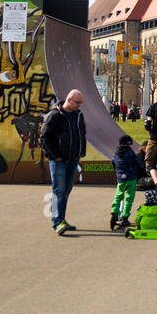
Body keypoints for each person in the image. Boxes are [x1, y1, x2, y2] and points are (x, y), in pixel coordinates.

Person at [40, 88, 87, 235]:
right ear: (68, 99)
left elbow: (82, 134)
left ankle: (62, 219)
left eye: (81, 103)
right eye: (77, 102)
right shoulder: (54, 116)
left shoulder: (79, 115)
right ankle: (57, 222)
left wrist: (81, 152)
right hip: (59, 160)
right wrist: (56, 156)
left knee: (66, 190)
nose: (79, 105)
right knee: (58, 190)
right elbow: (44, 138)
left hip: (73, 158)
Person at [110, 134, 145, 231]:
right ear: (129, 143)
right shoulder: (130, 152)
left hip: (121, 179)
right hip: (131, 178)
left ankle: (114, 211)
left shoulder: (116, 153)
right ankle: (125, 217)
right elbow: (137, 162)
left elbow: (113, 163)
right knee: (129, 198)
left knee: (118, 196)